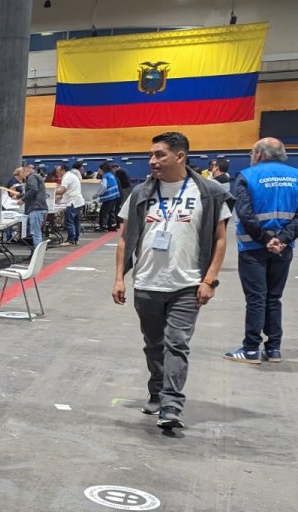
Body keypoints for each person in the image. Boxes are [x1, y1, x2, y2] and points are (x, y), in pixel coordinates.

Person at [113, 131, 230, 430]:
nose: (152, 161)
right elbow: (124, 239)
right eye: (151, 155)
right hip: (148, 283)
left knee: (176, 343)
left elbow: (219, 239)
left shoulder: (209, 192)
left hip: (187, 284)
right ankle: (157, 390)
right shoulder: (141, 193)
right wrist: (119, 278)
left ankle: (171, 405)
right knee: (153, 345)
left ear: (180, 156)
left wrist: (210, 280)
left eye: (159, 154)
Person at [224, 137, 298, 364]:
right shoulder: (295, 176)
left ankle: (250, 349)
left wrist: (265, 239)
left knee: (256, 298)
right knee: (274, 298)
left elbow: (245, 214)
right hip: (283, 249)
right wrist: (282, 239)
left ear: (258, 154)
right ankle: (274, 349)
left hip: (252, 248)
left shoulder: (247, 176)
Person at [55, 161, 85, 246]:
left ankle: (70, 240)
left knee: (69, 222)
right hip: (78, 202)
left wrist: (50, 192)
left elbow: (61, 191)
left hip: (72, 202)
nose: (57, 174)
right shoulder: (71, 176)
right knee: (76, 222)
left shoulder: (66, 177)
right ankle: (75, 239)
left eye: (58, 171)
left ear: (62, 170)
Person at [20, 164, 48, 248]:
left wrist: (23, 199)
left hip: (36, 208)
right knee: (37, 233)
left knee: (36, 233)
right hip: (40, 207)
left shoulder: (32, 177)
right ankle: (37, 254)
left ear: (27, 170)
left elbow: (33, 190)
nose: (22, 174)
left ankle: (36, 255)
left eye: (23, 172)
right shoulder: (36, 177)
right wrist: (19, 196)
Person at [97, 162, 121, 232]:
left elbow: (104, 187)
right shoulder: (111, 175)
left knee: (104, 212)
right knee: (111, 212)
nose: (98, 171)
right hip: (114, 195)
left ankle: (103, 226)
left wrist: (97, 194)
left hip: (109, 196)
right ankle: (113, 226)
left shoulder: (105, 176)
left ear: (102, 170)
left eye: (99, 170)